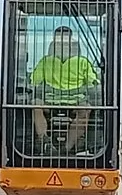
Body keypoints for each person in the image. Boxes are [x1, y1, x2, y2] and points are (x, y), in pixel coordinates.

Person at [28, 25, 100, 156]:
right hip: (50, 100)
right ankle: (45, 142)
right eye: (59, 41)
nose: (63, 44)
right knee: (35, 104)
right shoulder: (45, 62)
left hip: (76, 101)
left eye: (66, 41)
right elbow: (34, 81)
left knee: (85, 110)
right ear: (54, 43)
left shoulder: (83, 62)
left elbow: (93, 82)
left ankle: (66, 149)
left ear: (72, 42)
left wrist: (95, 86)